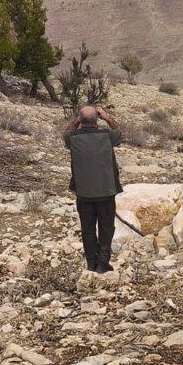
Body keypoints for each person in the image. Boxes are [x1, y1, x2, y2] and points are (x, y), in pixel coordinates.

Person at [63, 106, 124, 273]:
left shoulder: (73, 138)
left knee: (88, 229)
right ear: (96, 119)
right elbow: (121, 133)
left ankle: (91, 262)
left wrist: (76, 120)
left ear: (81, 120)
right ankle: (103, 262)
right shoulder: (107, 136)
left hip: (83, 193)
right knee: (106, 228)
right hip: (106, 192)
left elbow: (66, 133)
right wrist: (107, 117)